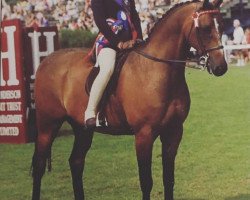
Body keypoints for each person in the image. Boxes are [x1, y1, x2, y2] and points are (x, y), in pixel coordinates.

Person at [84, 0, 143, 128]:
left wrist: (139, 39)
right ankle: (90, 111)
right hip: (108, 43)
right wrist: (118, 43)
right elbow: (100, 22)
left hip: (129, 43)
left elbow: (135, 17)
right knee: (107, 69)